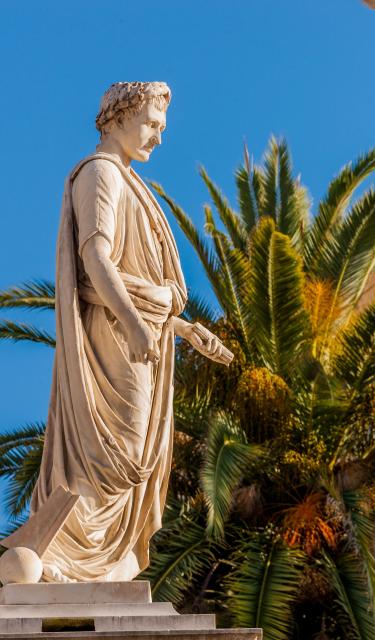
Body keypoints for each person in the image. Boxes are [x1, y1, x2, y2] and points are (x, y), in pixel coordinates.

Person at [28, 82, 232, 582]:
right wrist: (139, 323)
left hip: (136, 331)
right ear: (118, 118)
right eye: (153, 125)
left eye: (163, 129)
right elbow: (96, 259)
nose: (159, 138)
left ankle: (97, 560)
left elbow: (130, 275)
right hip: (117, 336)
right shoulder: (100, 174)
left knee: (133, 448)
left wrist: (182, 328)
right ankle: (74, 556)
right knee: (111, 451)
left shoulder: (126, 179)